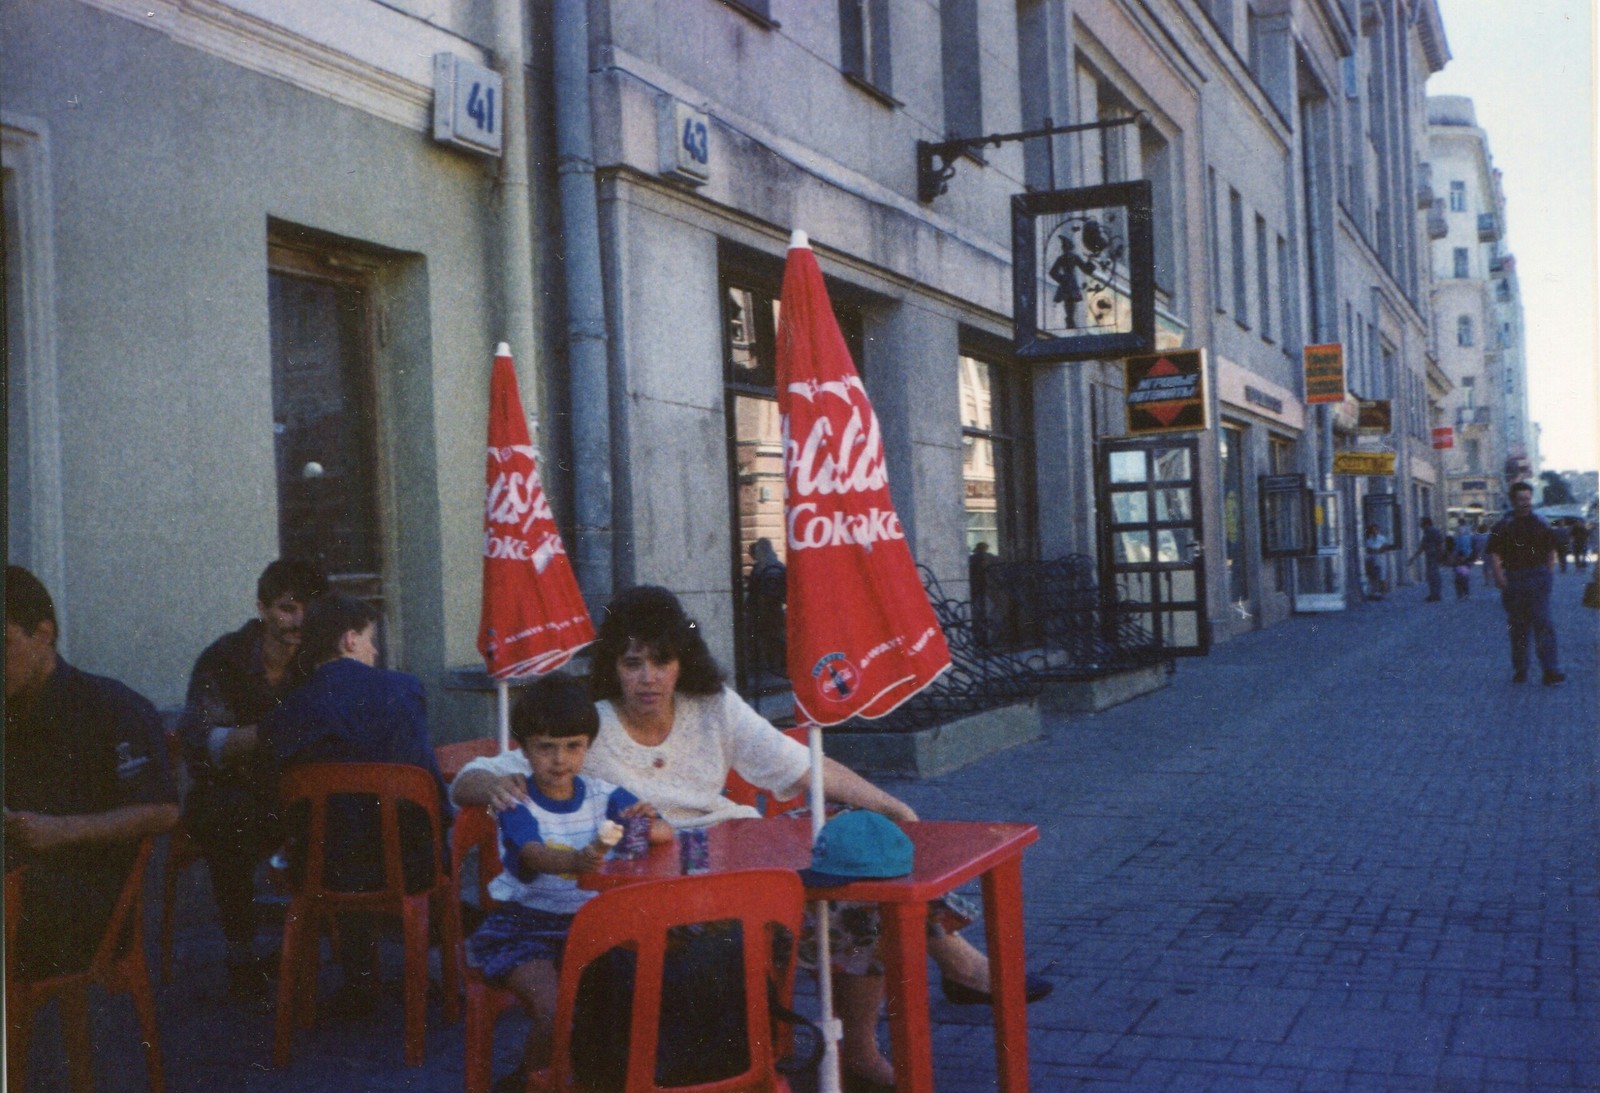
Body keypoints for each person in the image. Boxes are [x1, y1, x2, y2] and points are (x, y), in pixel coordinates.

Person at [451, 585, 1051, 1091]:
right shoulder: (589, 724)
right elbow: (480, 775)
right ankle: (959, 966)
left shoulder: (712, 705)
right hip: (658, 868)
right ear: (612, 665)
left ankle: (866, 1047)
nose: (648, 678)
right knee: (837, 900)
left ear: (683, 660)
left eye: (661, 661)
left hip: (732, 840)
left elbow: (799, 767)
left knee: (855, 861)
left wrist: (888, 801)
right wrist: (489, 791)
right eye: (632, 663)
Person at [466, 673, 672, 1091]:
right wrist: (577, 860)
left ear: (588, 747)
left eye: (573, 746)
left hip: (591, 929)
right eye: (546, 747)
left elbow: (665, 833)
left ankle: (588, 1077)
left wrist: (644, 822)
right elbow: (532, 853)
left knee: (637, 995)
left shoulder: (603, 794)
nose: (560, 759)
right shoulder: (516, 799)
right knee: (555, 1007)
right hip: (526, 928)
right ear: (524, 750)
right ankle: (532, 1079)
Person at [247, 594, 450, 1009]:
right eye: (371, 639)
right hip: (405, 868)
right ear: (350, 640)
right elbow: (426, 788)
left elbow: (271, 796)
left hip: (320, 870)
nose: (375, 650)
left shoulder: (288, 709)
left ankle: (359, 983)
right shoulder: (402, 689)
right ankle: (434, 975)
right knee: (415, 831)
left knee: (342, 834)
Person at [5, 565, 180, 982]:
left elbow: (162, 811)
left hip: (85, 906)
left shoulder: (108, 707)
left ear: (43, 635)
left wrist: (62, 830)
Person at [178, 558, 327, 999]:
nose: (299, 621)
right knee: (228, 814)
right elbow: (206, 742)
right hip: (234, 790)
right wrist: (276, 731)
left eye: (308, 609)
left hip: (297, 788)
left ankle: (354, 964)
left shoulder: (321, 657)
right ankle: (242, 954)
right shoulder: (223, 659)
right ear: (262, 609)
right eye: (287, 608)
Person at [1486, 482, 1564, 685]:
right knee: (1519, 627)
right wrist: (1500, 577)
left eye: (1528, 499)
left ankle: (1550, 670)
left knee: (1544, 623)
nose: (1525, 503)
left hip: (1538, 578)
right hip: (1514, 579)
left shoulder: (1541, 523)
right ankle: (1521, 668)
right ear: (1513, 501)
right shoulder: (1503, 526)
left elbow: (1550, 550)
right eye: (1521, 499)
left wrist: (1549, 573)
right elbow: (1494, 553)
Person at [744, 538, 787, 680]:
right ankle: (777, 664)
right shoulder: (779, 566)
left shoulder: (760, 568)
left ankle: (767, 665)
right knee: (776, 636)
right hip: (775, 608)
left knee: (764, 636)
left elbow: (754, 590)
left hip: (762, 610)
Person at [1409, 516, 1446, 602]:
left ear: (1426, 523)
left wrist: (1440, 556)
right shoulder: (1426, 532)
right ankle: (1433, 594)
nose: (1420, 525)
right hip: (1429, 556)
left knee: (1434, 576)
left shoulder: (1433, 531)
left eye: (1421, 523)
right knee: (1431, 576)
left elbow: (1440, 543)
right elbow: (1422, 546)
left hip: (1434, 556)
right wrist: (1413, 558)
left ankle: (1436, 595)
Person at [1362, 523, 1392, 600]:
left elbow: (1384, 548)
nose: (1374, 531)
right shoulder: (1369, 540)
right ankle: (1374, 593)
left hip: (1381, 559)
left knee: (1382, 576)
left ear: (1378, 530)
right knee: (1373, 576)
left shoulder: (1382, 538)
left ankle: (1383, 593)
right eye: (1372, 530)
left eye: (1375, 530)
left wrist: (1376, 550)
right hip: (1372, 560)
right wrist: (1377, 550)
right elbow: (1368, 550)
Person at [1450, 521, 1476, 600]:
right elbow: (1471, 547)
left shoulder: (1456, 537)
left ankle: (1460, 594)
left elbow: (1454, 549)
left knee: (1458, 578)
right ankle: (1465, 594)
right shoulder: (1468, 536)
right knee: (1464, 578)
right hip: (1465, 560)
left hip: (1459, 560)